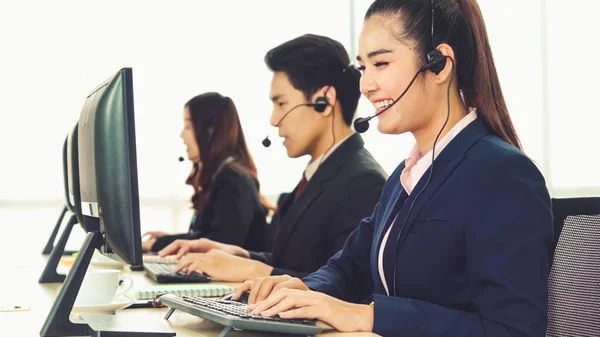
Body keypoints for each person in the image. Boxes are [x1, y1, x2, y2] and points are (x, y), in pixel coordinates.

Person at [232, 1, 554, 336]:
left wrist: (369, 317)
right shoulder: (407, 175)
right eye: (363, 68)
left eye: (381, 63)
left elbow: (513, 330)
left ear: (440, 64)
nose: (365, 85)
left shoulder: (503, 175)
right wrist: (302, 290)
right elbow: (348, 269)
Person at [158, 34, 388, 282]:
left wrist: (254, 271)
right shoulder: (319, 173)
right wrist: (240, 255)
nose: (273, 120)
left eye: (281, 103)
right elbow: (290, 262)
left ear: (324, 101)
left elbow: (350, 290)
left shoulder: (363, 182)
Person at [142, 92, 274, 253]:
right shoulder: (221, 175)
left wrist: (161, 244)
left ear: (211, 132)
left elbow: (220, 242)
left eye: (188, 126)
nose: (182, 135)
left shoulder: (233, 178)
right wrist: (172, 240)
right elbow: (207, 235)